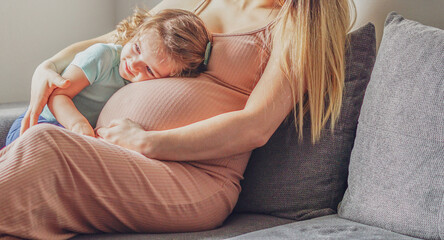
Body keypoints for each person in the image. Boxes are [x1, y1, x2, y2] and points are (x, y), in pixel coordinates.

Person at [0, 0, 354, 239]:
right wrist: (45, 68)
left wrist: (150, 142)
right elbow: (114, 41)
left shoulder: (300, 23)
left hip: (196, 177)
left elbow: (256, 125)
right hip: (124, 155)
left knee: (46, 147)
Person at [5, 9, 211, 145]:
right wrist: (78, 125)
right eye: (137, 48)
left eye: (149, 70)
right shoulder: (102, 56)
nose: (133, 64)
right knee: (39, 148)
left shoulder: (149, 89)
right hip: (41, 122)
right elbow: (57, 96)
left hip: (75, 137)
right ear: (136, 33)